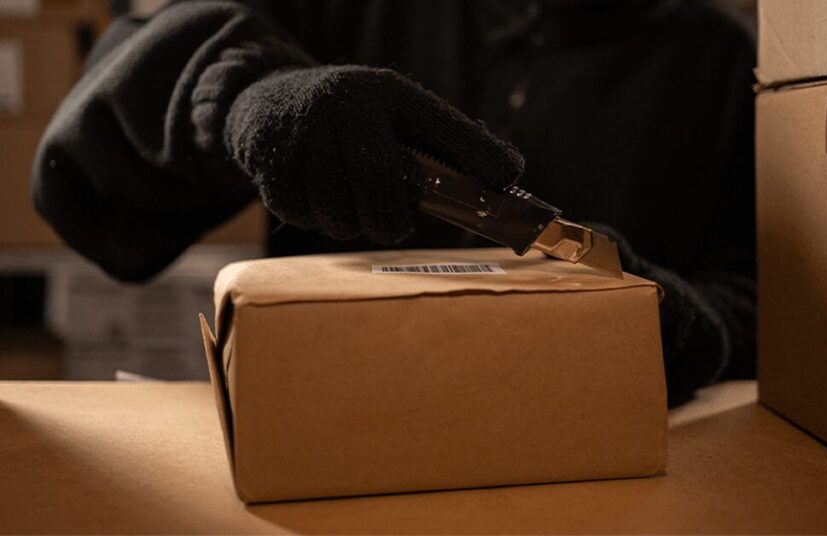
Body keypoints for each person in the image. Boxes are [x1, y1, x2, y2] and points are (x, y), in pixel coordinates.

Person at [32, 0, 756, 405]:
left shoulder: (722, 57)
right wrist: (244, 99)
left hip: (606, 474)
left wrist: (668, 322)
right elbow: (77, 170)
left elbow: (775, 303)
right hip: (320, 452)